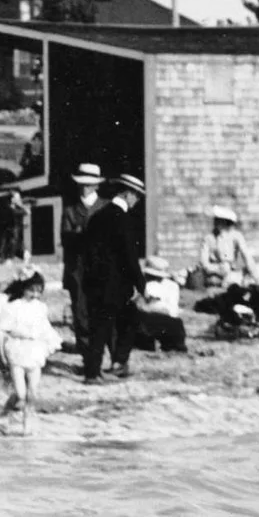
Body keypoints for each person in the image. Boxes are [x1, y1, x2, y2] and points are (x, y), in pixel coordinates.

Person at [77, 173, 144, 381]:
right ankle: (98, 371)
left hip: (94, 281)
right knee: (121, 322)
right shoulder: (123, 219)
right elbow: (129, 255)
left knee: (101, 325)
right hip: (115, 284)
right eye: (137, 196)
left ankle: (102, 367)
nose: (137, 201)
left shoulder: (98, 216)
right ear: (128, 194)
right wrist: (141, 284)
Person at [0, 270, 56, 434]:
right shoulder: (13, 307)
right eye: (31, 290)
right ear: (23, 288)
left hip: (35, 349)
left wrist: (49, 345)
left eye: (39, 291)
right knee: (20, 394)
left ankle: (27, 426)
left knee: (32, 393)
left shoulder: (41, 307)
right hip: (17, 349)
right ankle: (7, 416)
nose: (35, 295)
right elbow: (1, 332)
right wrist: (1, 355)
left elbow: (45, 329)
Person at [61, 163, 104, 344]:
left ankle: (100, 345)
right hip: (77, 268)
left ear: (97, 185)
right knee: (80, 308)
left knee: (100, 307)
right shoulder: (70, 210)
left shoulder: (107, 207)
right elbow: (66, 239)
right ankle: (85, 348)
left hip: (101, 267)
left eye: (89, 184)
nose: (85, 187)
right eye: (82, 183)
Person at [194, 204, 257, 292]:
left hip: (231, 274)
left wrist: (255, 274)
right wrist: (217, 268)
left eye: (219, 221)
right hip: (214, 275)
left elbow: (246, 256)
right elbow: (204, 263)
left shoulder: (236, 236)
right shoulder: (209, 238)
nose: (216, 223)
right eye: (216, 220)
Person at [132, 255, 188, 354]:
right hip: (143, 320)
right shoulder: (140, 284)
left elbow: (172, 311)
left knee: (175, 324)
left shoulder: (171, 286)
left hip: (162, 320)